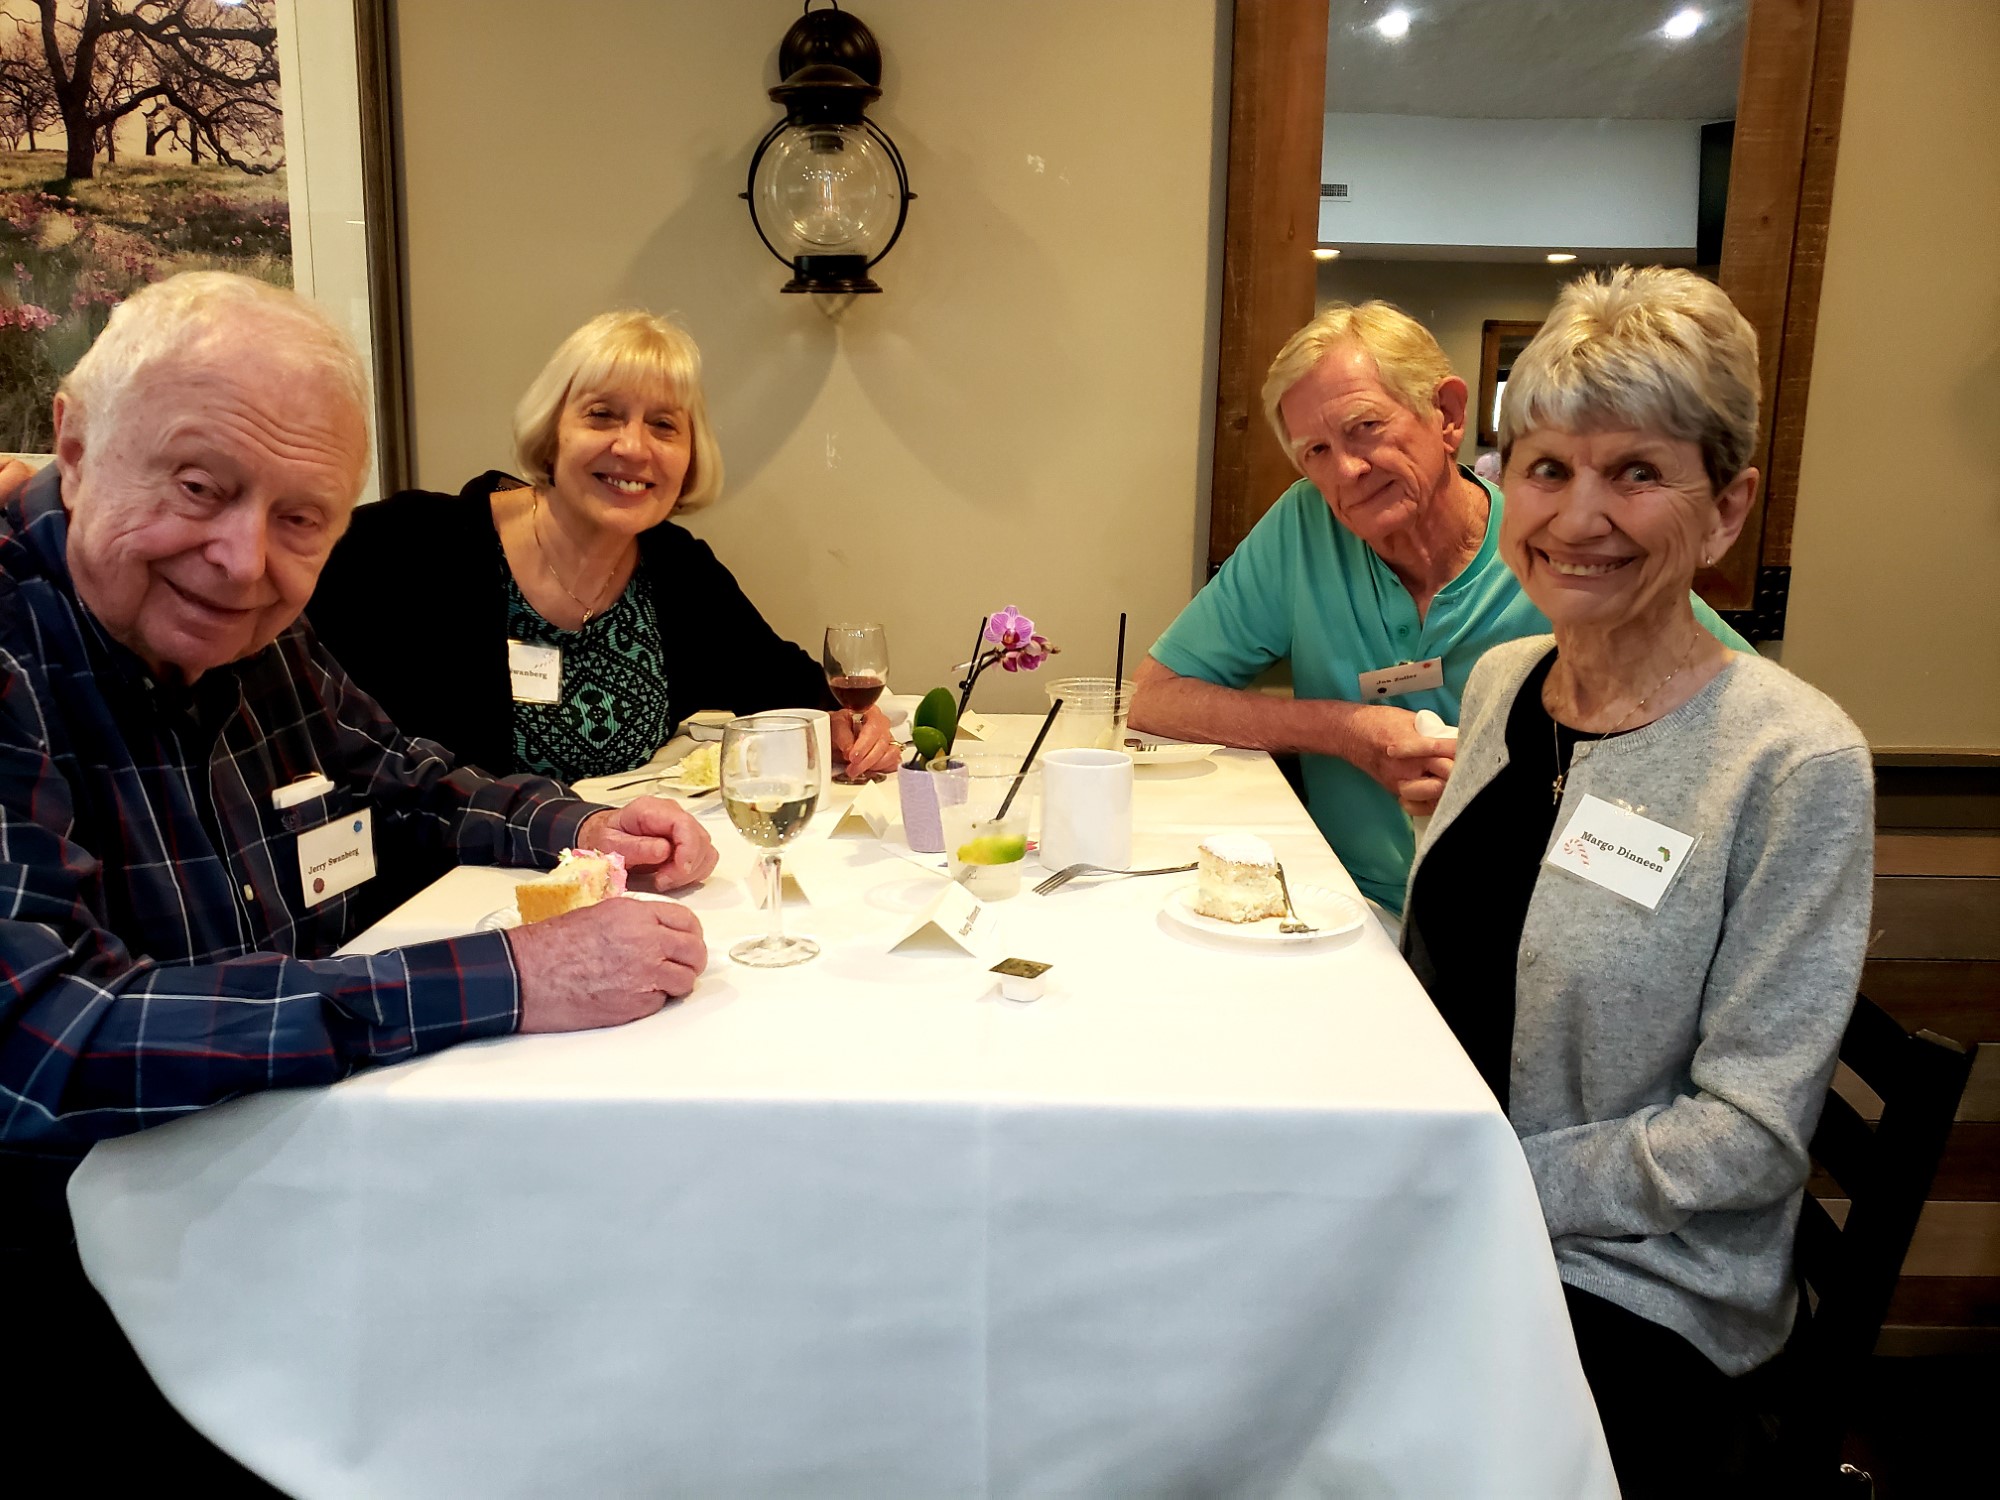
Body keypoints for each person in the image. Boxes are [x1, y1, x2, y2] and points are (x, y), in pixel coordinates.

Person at [0, 272, 719, 1489]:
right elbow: (43, 1036)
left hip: (276, 1193)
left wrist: (581, 821)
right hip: (84, 1284)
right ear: (75, 445)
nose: (243, 561)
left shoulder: (253, 631)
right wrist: (504, 976)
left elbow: (395, 777)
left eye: (301, 520)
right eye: (198, 487)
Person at [1400, 267, 1871, 1494]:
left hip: (1640, 1285)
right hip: (1457, 1222)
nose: (1578, 515)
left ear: (1725, 509)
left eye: (1636, 473)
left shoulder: (1790, 760)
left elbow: (1747, 1137)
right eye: (1548, 467)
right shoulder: (1503, 682)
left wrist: (1490, 1182)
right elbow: (1470, 956)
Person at [1128, 301, 1747, 913]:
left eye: (1365, 427)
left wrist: (1507, 801)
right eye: (1314, 451)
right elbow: (1156, 699)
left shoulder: (1558, 554)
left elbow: (1745, 734)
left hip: (1528, 924)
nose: (1346, 470)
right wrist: (1347, 732)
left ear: (1447, 414)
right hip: (1342, 905)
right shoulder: (1304, 527)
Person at [308, 309, 901, 784]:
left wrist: (849, 721)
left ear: (690, 455)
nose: (633, 447)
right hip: (442, 884)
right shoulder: (406, 547)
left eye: (663, 425)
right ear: (552, 432)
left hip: (617, 873)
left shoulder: (675, 568)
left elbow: (785, 683)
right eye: (602, 416)